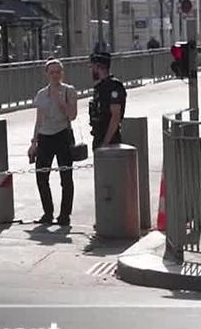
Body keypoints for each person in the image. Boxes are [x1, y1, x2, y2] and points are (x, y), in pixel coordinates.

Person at [26, 59, 79, 229]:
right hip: (45, 137)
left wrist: (61, 102)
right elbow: (39, 120)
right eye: (52, 72)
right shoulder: (42, 94)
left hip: (62, 134)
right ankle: (47, 213)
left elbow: (72, 115)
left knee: (66, 177)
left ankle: (65, 215)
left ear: (62, 73)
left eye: (58, 72)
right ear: (47, 75)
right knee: (42, 177)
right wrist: (34, 142)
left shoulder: (69, 91)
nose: (55, 75)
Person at [87, 51, 126, 149]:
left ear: (98, 67)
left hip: (110, 140)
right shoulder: (99, 87)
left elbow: (115, 116)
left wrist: (105, 143)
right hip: (98, 136)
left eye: (91, 67)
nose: (90, 70)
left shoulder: (114, 86)